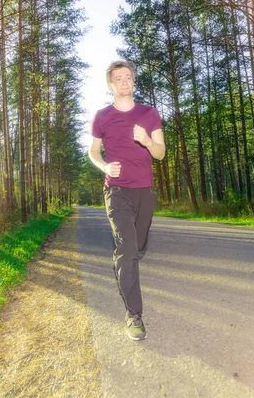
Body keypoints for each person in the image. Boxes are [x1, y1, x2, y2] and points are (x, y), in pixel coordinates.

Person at [89, 60, 166, 341]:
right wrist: (105, 167)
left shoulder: (149, 114)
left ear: (134, 81)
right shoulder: (102, 116)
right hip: (117, 191)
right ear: (111, 85)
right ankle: (134, 315)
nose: (124, 82)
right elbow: (93, 151)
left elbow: (160, 153)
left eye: (128, 77)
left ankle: (132, 255)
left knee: (139, 245)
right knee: (127, 249)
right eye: (118, 78)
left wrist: (147, 140)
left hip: (145, 191)